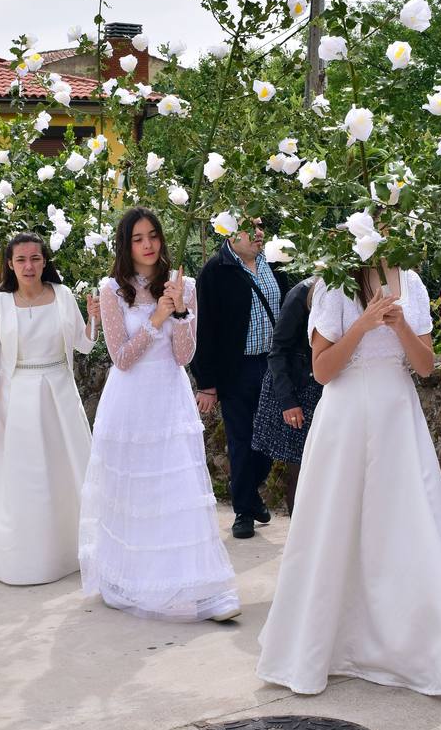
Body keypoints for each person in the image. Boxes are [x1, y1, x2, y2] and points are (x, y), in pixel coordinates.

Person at [256, 263, 441, 697]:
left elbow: (426, 366)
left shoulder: (411, 280)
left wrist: (400, 327)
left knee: (409, 533)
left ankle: (415, 655)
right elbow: (322, 370)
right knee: (335, 533)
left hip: (398, 416)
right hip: (346, 417)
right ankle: (327, 648)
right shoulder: (334, 283)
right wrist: (364, 322)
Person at [79, 208, 240, 622]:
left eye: (153, 235)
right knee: (136, 496)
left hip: (170, 399)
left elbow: (184, 355)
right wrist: (158, 315)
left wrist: (182, 310)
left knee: (178, 490)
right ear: (125, 245)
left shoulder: (180, 284)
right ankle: (132, 579)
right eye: (138, 238)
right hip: (130, 404)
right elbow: (121, 358)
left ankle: (196, 584)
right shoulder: (112, 288)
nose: (148, 244)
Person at [0, 232, 99, 585]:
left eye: (35, 258)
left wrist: (93, 319)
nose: (28, 266)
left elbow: (84, 345)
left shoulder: (62, 296)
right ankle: (30, 555)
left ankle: (72, 549)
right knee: (27, 479)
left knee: (66, 470)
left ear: (45, 261)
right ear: (10, 265)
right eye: (20, 260)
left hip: (60, 394)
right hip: (17, 400)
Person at [193, 219, 293, 539]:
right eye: (251, 228)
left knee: (268, 441)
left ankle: (250, 495)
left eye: (260, 227)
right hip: (236, 369)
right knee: (240, 439)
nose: (260, 233)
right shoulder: (215, 270)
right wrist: (206, 382)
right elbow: (203, 330)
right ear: (230, 233)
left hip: (274, 366)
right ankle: (243, 512)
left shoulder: (275, 262)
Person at [252, 277, 322, 515]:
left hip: (322, 390)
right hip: (296, 390)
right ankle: (298, 542)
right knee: (299, 470)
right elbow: (278, 351)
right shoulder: (303, 292)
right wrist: (288, 402)